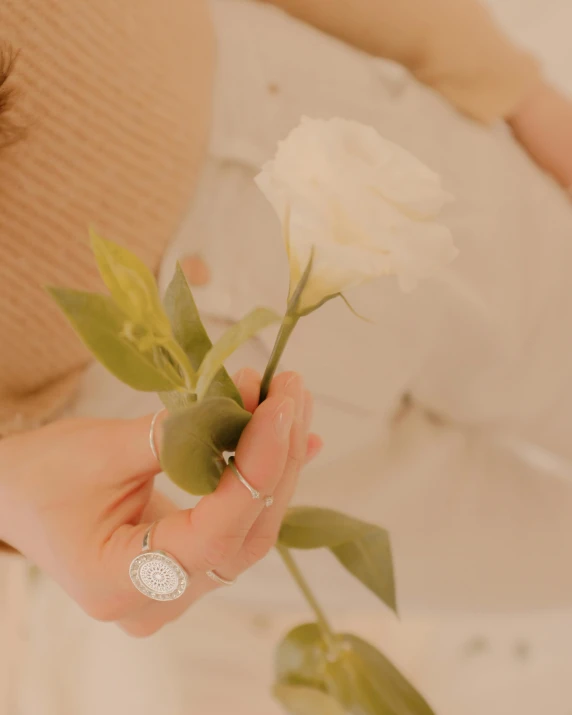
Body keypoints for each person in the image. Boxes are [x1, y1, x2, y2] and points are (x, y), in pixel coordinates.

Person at [2, 1, 572, 711]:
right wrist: (9, 492)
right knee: (548, 561)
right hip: (132, 443)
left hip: (309, 132)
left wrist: (510, 82)